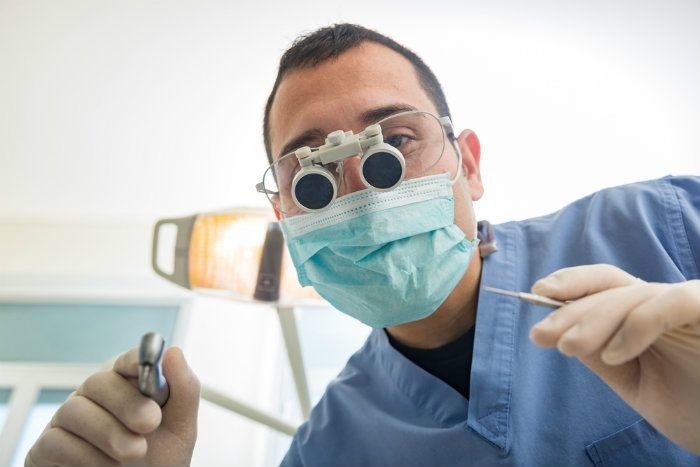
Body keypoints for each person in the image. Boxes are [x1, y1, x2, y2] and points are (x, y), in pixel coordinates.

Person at [26, 23, 700, 467]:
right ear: (284, 214)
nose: (366, 198)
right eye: (312, 177)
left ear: (468, 163)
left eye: (395, 143)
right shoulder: (328, 449)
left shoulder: (659, 226)